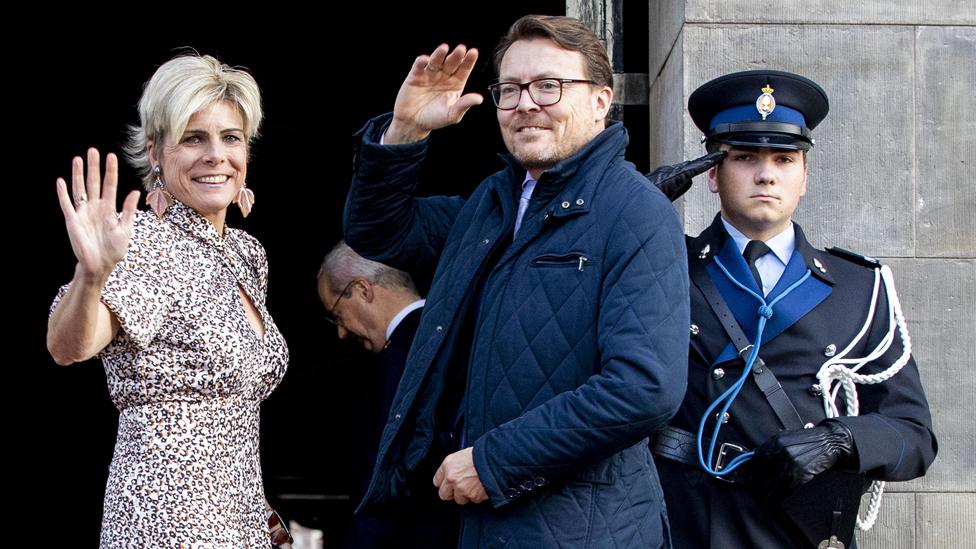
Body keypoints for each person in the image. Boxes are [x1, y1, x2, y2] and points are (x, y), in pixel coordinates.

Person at [343, 14, 689, 548]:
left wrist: (493, 461)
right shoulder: (493, 201)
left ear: (601, 101)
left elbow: (644, 388)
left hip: (584, 531)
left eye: (549, 85)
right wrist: (405, 131)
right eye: (511, 89)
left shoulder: (634, 210)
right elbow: (378, 231)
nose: (527, 103)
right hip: (482, 524)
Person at [652, 69, 937, 547]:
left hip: (792, 528)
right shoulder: (661, 264)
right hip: (680, 521)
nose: (766, 174)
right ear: (712, 175)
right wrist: (631, 209)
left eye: (784, 159)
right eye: (744, 157)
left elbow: (915, 435)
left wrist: (841, 439)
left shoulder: (860, 287)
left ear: (804, 177)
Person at [46, 53, 290, 546]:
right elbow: (69, 346)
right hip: (167, 521)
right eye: (193, 138)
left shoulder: (246, 255)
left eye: (231, 138)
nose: (216, 155)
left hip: (240, 521)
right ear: (156, 152)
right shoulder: (147, 243)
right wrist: (91, 276)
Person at [318, 241, 456, 549]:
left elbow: (387, 476)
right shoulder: (453, 331)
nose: (341, 333)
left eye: (337, 314)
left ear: (363, 289)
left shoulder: (403, 355)